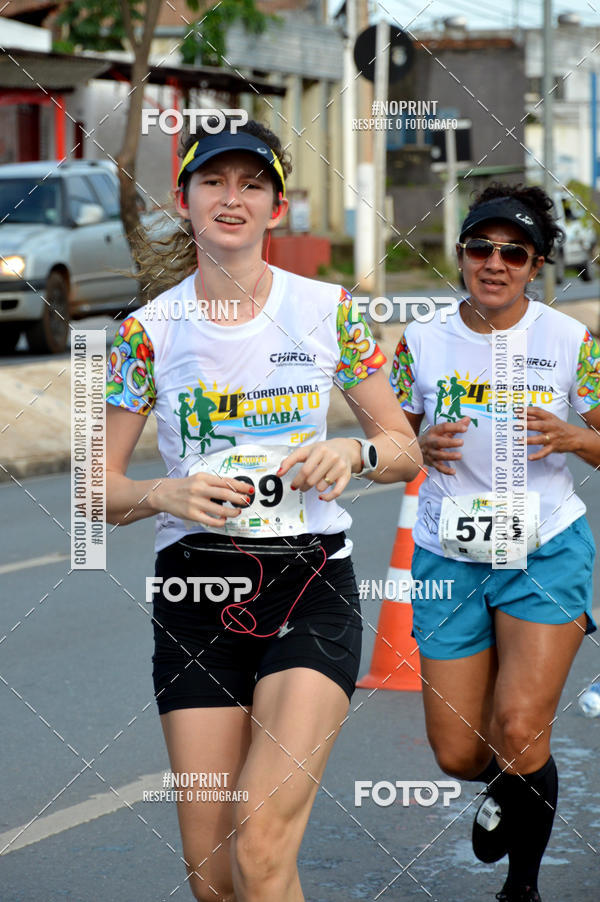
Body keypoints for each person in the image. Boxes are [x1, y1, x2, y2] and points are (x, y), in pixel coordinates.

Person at [105, 117, 421, 902]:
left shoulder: (332, 312)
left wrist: (354, 452)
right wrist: (163, 493)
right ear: (185, 198)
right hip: (195, 596)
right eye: (213, 181)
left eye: (253, 184)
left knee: (260, 848)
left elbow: (404, 445)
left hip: (308, 584)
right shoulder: (143, 335)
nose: (232, 198)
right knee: (212, 880)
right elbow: (94, 490)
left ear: (277, 207)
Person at [390, 183, 600, 902]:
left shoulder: (571, 341)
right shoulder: (419, 339)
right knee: (458, 751)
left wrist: (578, 437)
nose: (495, 262)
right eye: (481, 246)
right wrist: (415, 443)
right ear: (462, 254)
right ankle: (506, 793)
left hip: (544, 549)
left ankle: (524, 887)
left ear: (535, 265)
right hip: (449, 555)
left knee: (519, 725)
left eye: (514, 252)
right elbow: (389, 441)